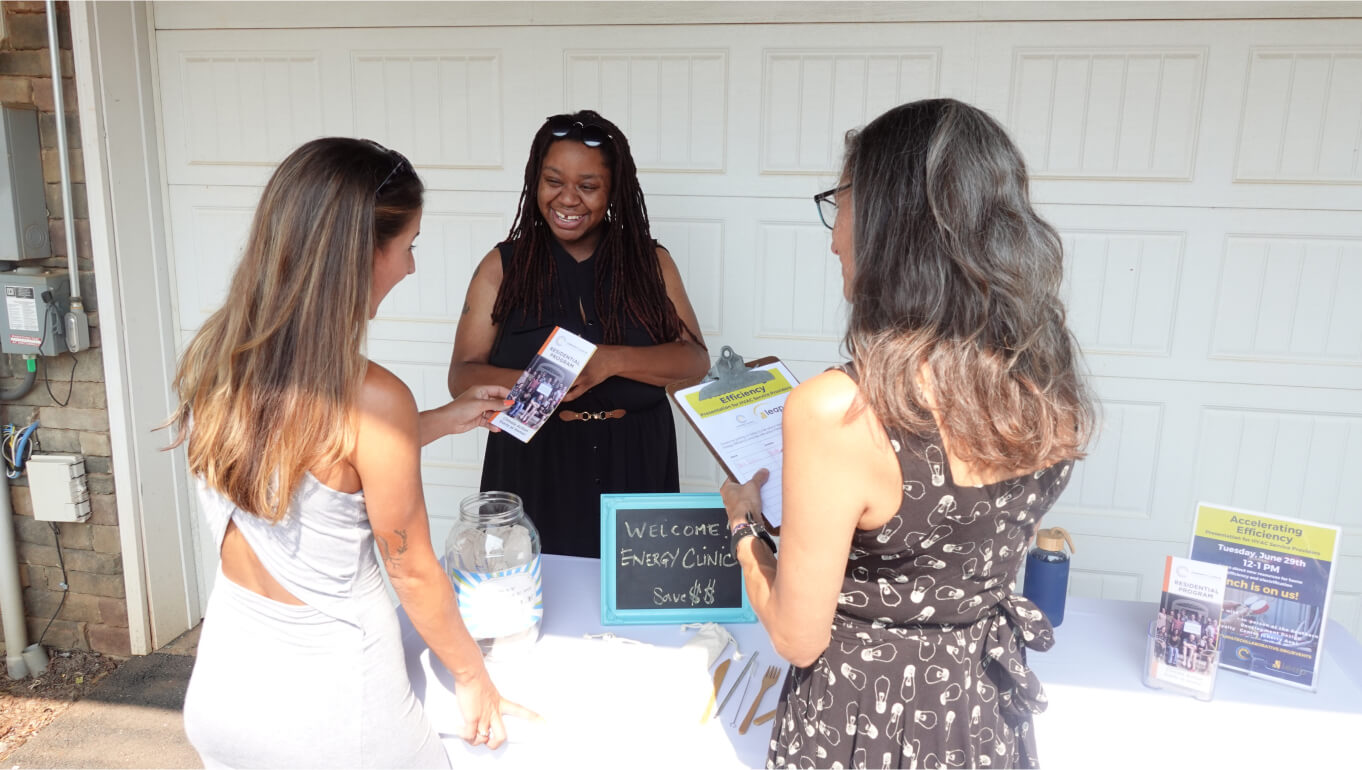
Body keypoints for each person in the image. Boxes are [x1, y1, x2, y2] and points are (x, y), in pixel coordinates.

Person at [720, 99, 1096, 769]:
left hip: (860, 721)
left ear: (889, 222)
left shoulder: (840, 411)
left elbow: (799, 638)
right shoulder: (1045, 381)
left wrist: (747, 529)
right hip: (981, 714)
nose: (834, 236)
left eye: (839, 203)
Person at [166, 138, 536, 768]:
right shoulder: (371, 396)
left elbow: (312, 466)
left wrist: (441, 421)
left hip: (225, 688)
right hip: (336, 712)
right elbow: (413, 571)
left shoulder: (218, 354)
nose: (413, 267)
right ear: (362, 254)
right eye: (410, 245)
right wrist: (473, 677)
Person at [448, 110, 709, 558]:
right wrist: (547, 381)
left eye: (588, 187)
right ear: (535, 182)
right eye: (553, 182)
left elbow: (694, 362)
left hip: (637, 459)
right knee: (533, 597)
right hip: (534, 462)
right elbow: (462, 376)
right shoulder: (502, 266)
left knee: (634, 598)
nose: (568, 199)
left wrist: (609, 361)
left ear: (613, 191)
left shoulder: (652, 263)